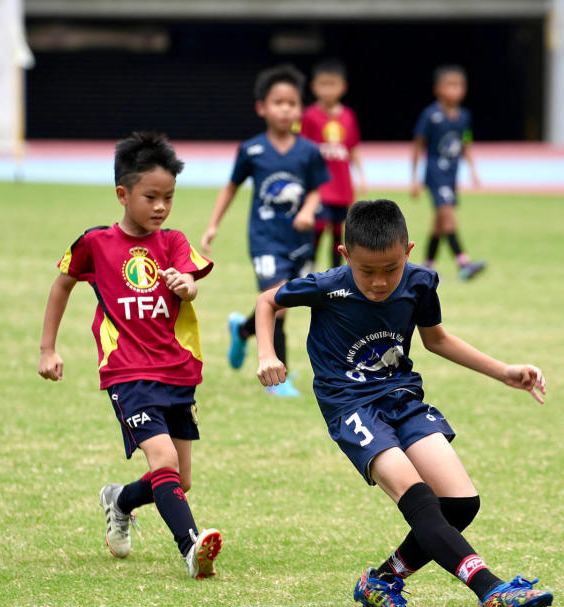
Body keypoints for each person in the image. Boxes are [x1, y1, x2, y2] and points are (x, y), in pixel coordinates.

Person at [254, 199, 553, 607]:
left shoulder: (419, 283)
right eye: (367, 271)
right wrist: (267, 353)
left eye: (391, 269)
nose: (379, 282)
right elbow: (268, 301)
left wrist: (504, 371)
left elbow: (438, 340)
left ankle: (383, 580)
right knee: (419, 499)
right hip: (351, 407)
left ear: (409, 251)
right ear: (345, 256)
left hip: (402, 399)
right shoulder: (328, 286)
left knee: (462, 503)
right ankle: (490, 589)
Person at [37, 131, 222, 579]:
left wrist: (187, 286)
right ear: (123, 194)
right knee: (163, 463)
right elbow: (62, 283)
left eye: (169, 198)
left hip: (178, 372)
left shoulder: (173, 241)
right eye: (150, 197)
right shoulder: (95, 244)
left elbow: (192, 277)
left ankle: (118, 500)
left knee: (180, 479)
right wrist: (48, 348)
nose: (161, 207)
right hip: (128, 373)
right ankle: (191, 548)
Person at [200, 64, 329, 396]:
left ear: (301, 108)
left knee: (290, 300)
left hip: (299, 242)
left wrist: (307, 210)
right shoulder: (252, 150)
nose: (286, 109)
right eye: (278, 102)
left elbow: (317, 189)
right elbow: (230, 187)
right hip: (265, 240)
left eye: (292, 103)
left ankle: (243, 330)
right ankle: (278, 379)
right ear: (262, 107)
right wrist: (213, 225)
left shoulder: (309, 151)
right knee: (280, 304)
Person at [410, 65, 485, 280]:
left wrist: (473, 170)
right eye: (450, 85)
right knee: (449, 218)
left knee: (439, 224)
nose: (455, 90)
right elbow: (417, 146)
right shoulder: (430, 115)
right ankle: (464, 263)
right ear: (438, 89)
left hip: (451, 174)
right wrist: (414, 178)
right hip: (435, 173)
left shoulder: (464, 117)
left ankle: (425, 266)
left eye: (459, 85)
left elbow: (465, 144)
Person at [300, 58, 367, 271]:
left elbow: (353, 147)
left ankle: (337, 270)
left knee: (340, 229)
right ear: (314, 87)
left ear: (343, 87)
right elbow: (302, 149)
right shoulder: (309, 116)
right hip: (321, 184)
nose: (328, 89)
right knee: (319, 225)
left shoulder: (348, 115)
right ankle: (310, 263)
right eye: (323, 84)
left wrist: (362, 176)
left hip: (342, 184)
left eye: (333, 84)